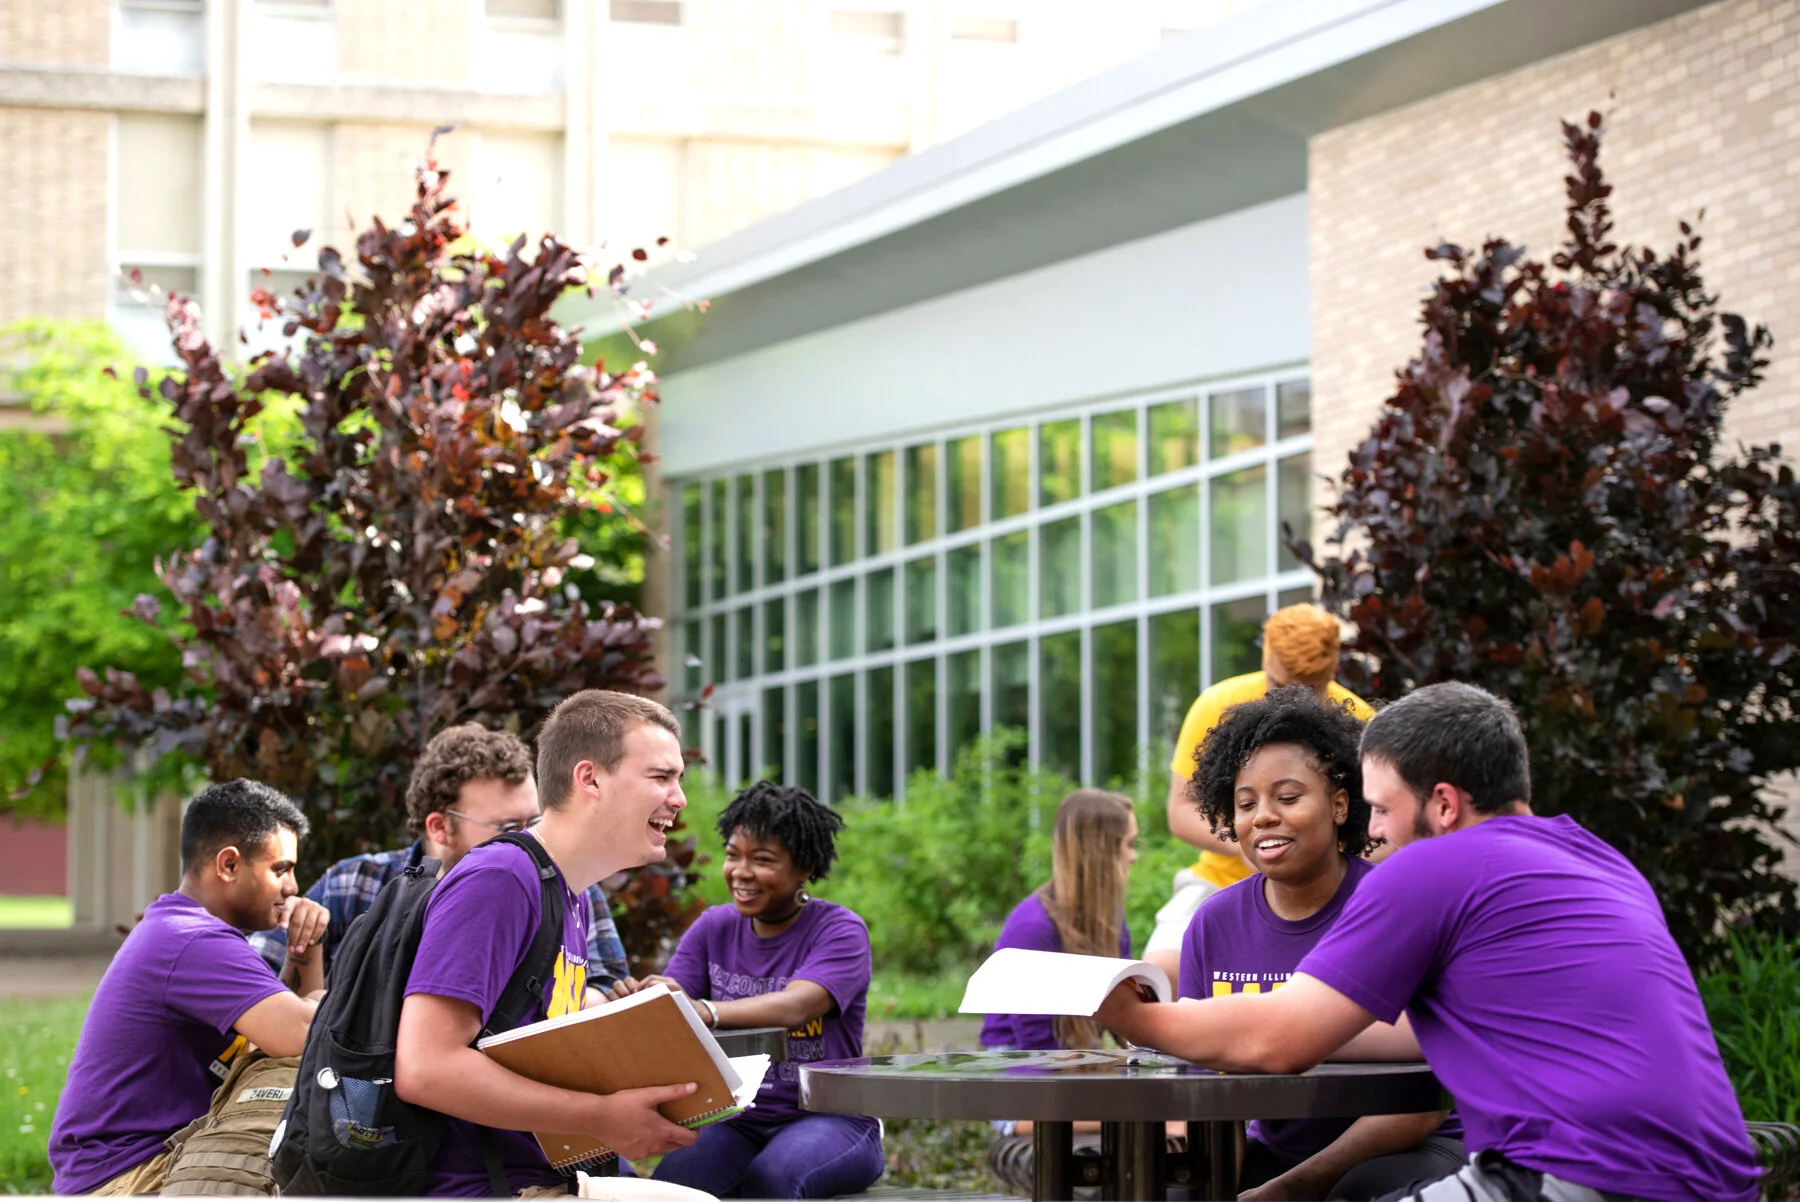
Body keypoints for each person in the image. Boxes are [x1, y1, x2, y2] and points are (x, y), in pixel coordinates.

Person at [1098, 682, 1762, 1202]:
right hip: (1720, 1175)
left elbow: (1279, 1039)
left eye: (1380, 808)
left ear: (1443, 803)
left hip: (1582, 1174)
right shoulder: (1601, 861)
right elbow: (1395, 1034)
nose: (1374, 832)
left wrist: (1135, 1017)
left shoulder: (1433, 865)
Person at [393, 689, 702, 1197]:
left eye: (678, 779)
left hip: (547, 1174)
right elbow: (425, 1069)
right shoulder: (502, 877)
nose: (679, 798)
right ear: (590, 779)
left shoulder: (569, 891)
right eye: (660, 777)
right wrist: (601, 1116)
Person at [1183, 686, 1461, 1200]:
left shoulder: (1393, 903)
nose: (1263, 815)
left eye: (1287, 797)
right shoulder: (1213, 923)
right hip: (1276, 1151)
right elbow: (1213, 1090)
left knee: (1353, 1194)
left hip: (1406, 1146)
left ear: (1339, 805)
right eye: (1246, 803)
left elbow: (1424, 1101)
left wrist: (1291, 1190)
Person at [48, 780, 329, 1196]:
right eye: (280, 869)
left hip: (138, 1161)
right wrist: (324, 999)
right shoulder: (193, 940)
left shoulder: (181, 929)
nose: (292, 886)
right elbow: (305, 1037)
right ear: (229, 865)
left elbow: (277, 1041)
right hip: (127, 1175)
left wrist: (307, 949)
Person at [633, 780, 884, 1200]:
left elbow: (797, 1006)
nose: (741, 872)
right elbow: (678, 1002)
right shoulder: (715, 926)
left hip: (831, 1119)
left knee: (773, 1179)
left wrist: (707, 1011)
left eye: (762, 860)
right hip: (738, 1118)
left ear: (804, 867)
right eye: (734, 855)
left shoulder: (838, 930)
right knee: (671, 1188)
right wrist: (654, 996)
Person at [250, 723, 632, 990]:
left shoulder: (569, 885)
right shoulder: (355, 885)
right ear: (439, 828)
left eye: (534, 821)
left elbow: (609, 985)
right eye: (507, 828)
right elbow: (258, 981)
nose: (530, 840)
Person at [1146, 602, 1374, 988]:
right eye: (1277, 684)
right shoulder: (1218, 705)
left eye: (1305, 689)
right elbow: (1181, 810)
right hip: (1219, 881)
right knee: (1159, 975)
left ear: (1331, 669)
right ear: (1264, 656)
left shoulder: (1361, 725)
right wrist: (1243, 846)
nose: (1284, 699)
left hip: (1330, 889)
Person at [978, 790, 1140, 1199]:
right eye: (1128, 845)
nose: (1134, 856)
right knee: (1148, 1124)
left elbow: (1124, 1022)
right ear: (1101, 851)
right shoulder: (1032, 928)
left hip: (1078, 1063)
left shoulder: (1110, 923)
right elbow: (1038, 1062)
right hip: (1021, 1077)